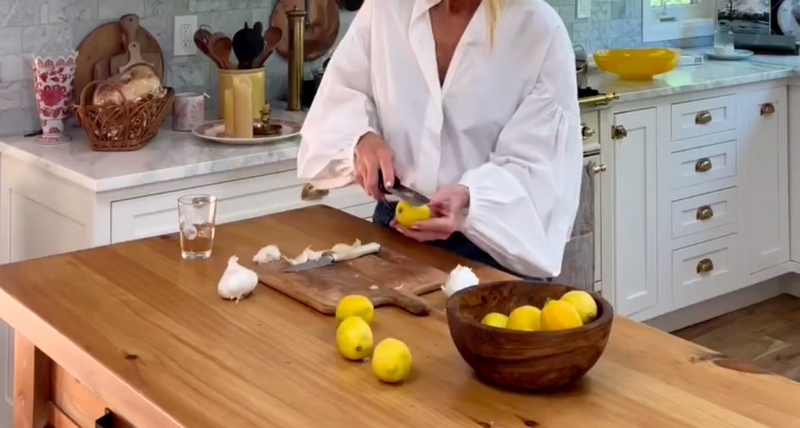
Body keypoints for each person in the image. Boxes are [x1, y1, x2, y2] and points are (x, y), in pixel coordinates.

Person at [297, 0, 582, 280]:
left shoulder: (539, 30)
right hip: (395, 236)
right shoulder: (385, 8)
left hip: (493, 255)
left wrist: (473, 198)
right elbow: (340, 95)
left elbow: (542, 172)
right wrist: (362, 139)